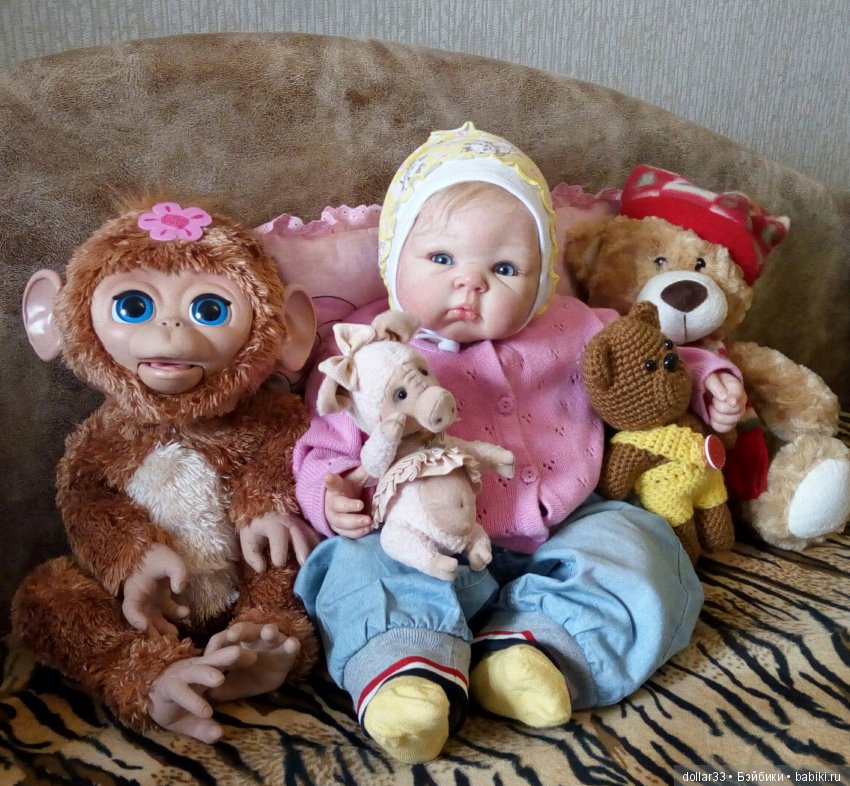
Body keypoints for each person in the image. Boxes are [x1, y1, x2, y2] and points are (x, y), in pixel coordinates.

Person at [292, 123, 745, 764]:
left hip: (568, 524)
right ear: (394, 261)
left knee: (644, 544)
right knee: (352, 565)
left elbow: (648, 360)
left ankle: (535, 651)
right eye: (441, 259)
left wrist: (707, 380)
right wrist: (329, 495)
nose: (469, 284)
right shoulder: (370, 352)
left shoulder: (575, 325)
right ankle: (407, 672)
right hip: (423, 541)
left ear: (541, 281)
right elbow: (322, 445)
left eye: (503, 269)